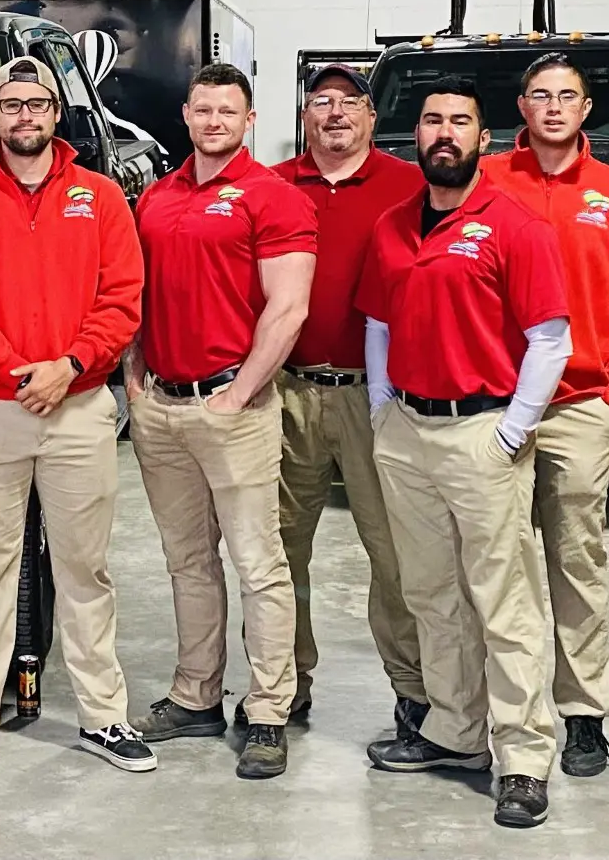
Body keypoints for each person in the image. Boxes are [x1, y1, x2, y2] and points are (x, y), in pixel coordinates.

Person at [0, 56, 151, 776]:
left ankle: (103, 715)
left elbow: (123, 298)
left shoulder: (101, 196)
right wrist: (21, 371)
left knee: (86, 569)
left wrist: (71, 366)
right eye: (12, 104)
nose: (26, 115)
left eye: (38, 103)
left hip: (78, 407)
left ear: (57, 113)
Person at [357, 76, 570, 828]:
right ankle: (454, 731)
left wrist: (512, 430)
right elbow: (377, 326)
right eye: (431, 121)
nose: (444, 132)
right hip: (409, 432)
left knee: (504, 601)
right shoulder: (391, 226)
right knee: (431, 593)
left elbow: (550, 340)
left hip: (482, 431)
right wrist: (384, 410)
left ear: (485, 138)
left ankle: (521, 755)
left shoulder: (515, 225)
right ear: (414, 137)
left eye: (459, 122)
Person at [122, 63, 317, 781]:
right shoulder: (159, 196)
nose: (213, 121)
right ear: (186, 113)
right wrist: (135, 372)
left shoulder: (273, 197)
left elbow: (288, 307)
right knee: (187, 562)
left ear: (249, 119)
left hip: (233, 408)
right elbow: (139, 290)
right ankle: (197, 693)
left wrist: (239, 394)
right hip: (162, 408)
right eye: (202, 109)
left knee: (259, 564)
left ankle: (268, 708)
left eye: (226, 111)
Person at [480, 52, 609, 778]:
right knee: (496, 565)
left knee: (575, 562)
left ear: (586, 110)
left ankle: (583, 714)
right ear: (521, 107)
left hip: (581, 405)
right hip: (495, 404)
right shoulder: (486, 180)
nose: (553, 107)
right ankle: (500, 711)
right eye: (540, 95)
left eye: (568, 97)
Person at [270, 63, 428, 738]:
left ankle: (415, 691)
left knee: (395, 552)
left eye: (350, 102)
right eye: (322, 101)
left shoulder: (412, 186)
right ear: (305, 116)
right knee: (277, 553)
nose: (335, 113)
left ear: (371, 116)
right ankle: (284, 685)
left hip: (379, 398)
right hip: (285, 393)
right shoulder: (272, 187)